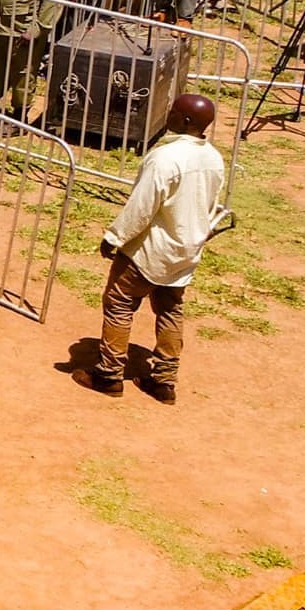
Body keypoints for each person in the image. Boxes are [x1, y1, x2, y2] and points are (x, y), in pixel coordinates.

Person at [85, 92, 230, 403]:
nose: (168, 114)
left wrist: (114, 237)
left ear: (186, 121)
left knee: (120, 303)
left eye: (173, 111)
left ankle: (109, 374)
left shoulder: (165, 158)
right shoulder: (214, 158)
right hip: (186, 251)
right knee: (170, 310)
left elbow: (142, 206)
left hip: (149, 251)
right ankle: (164, 381)